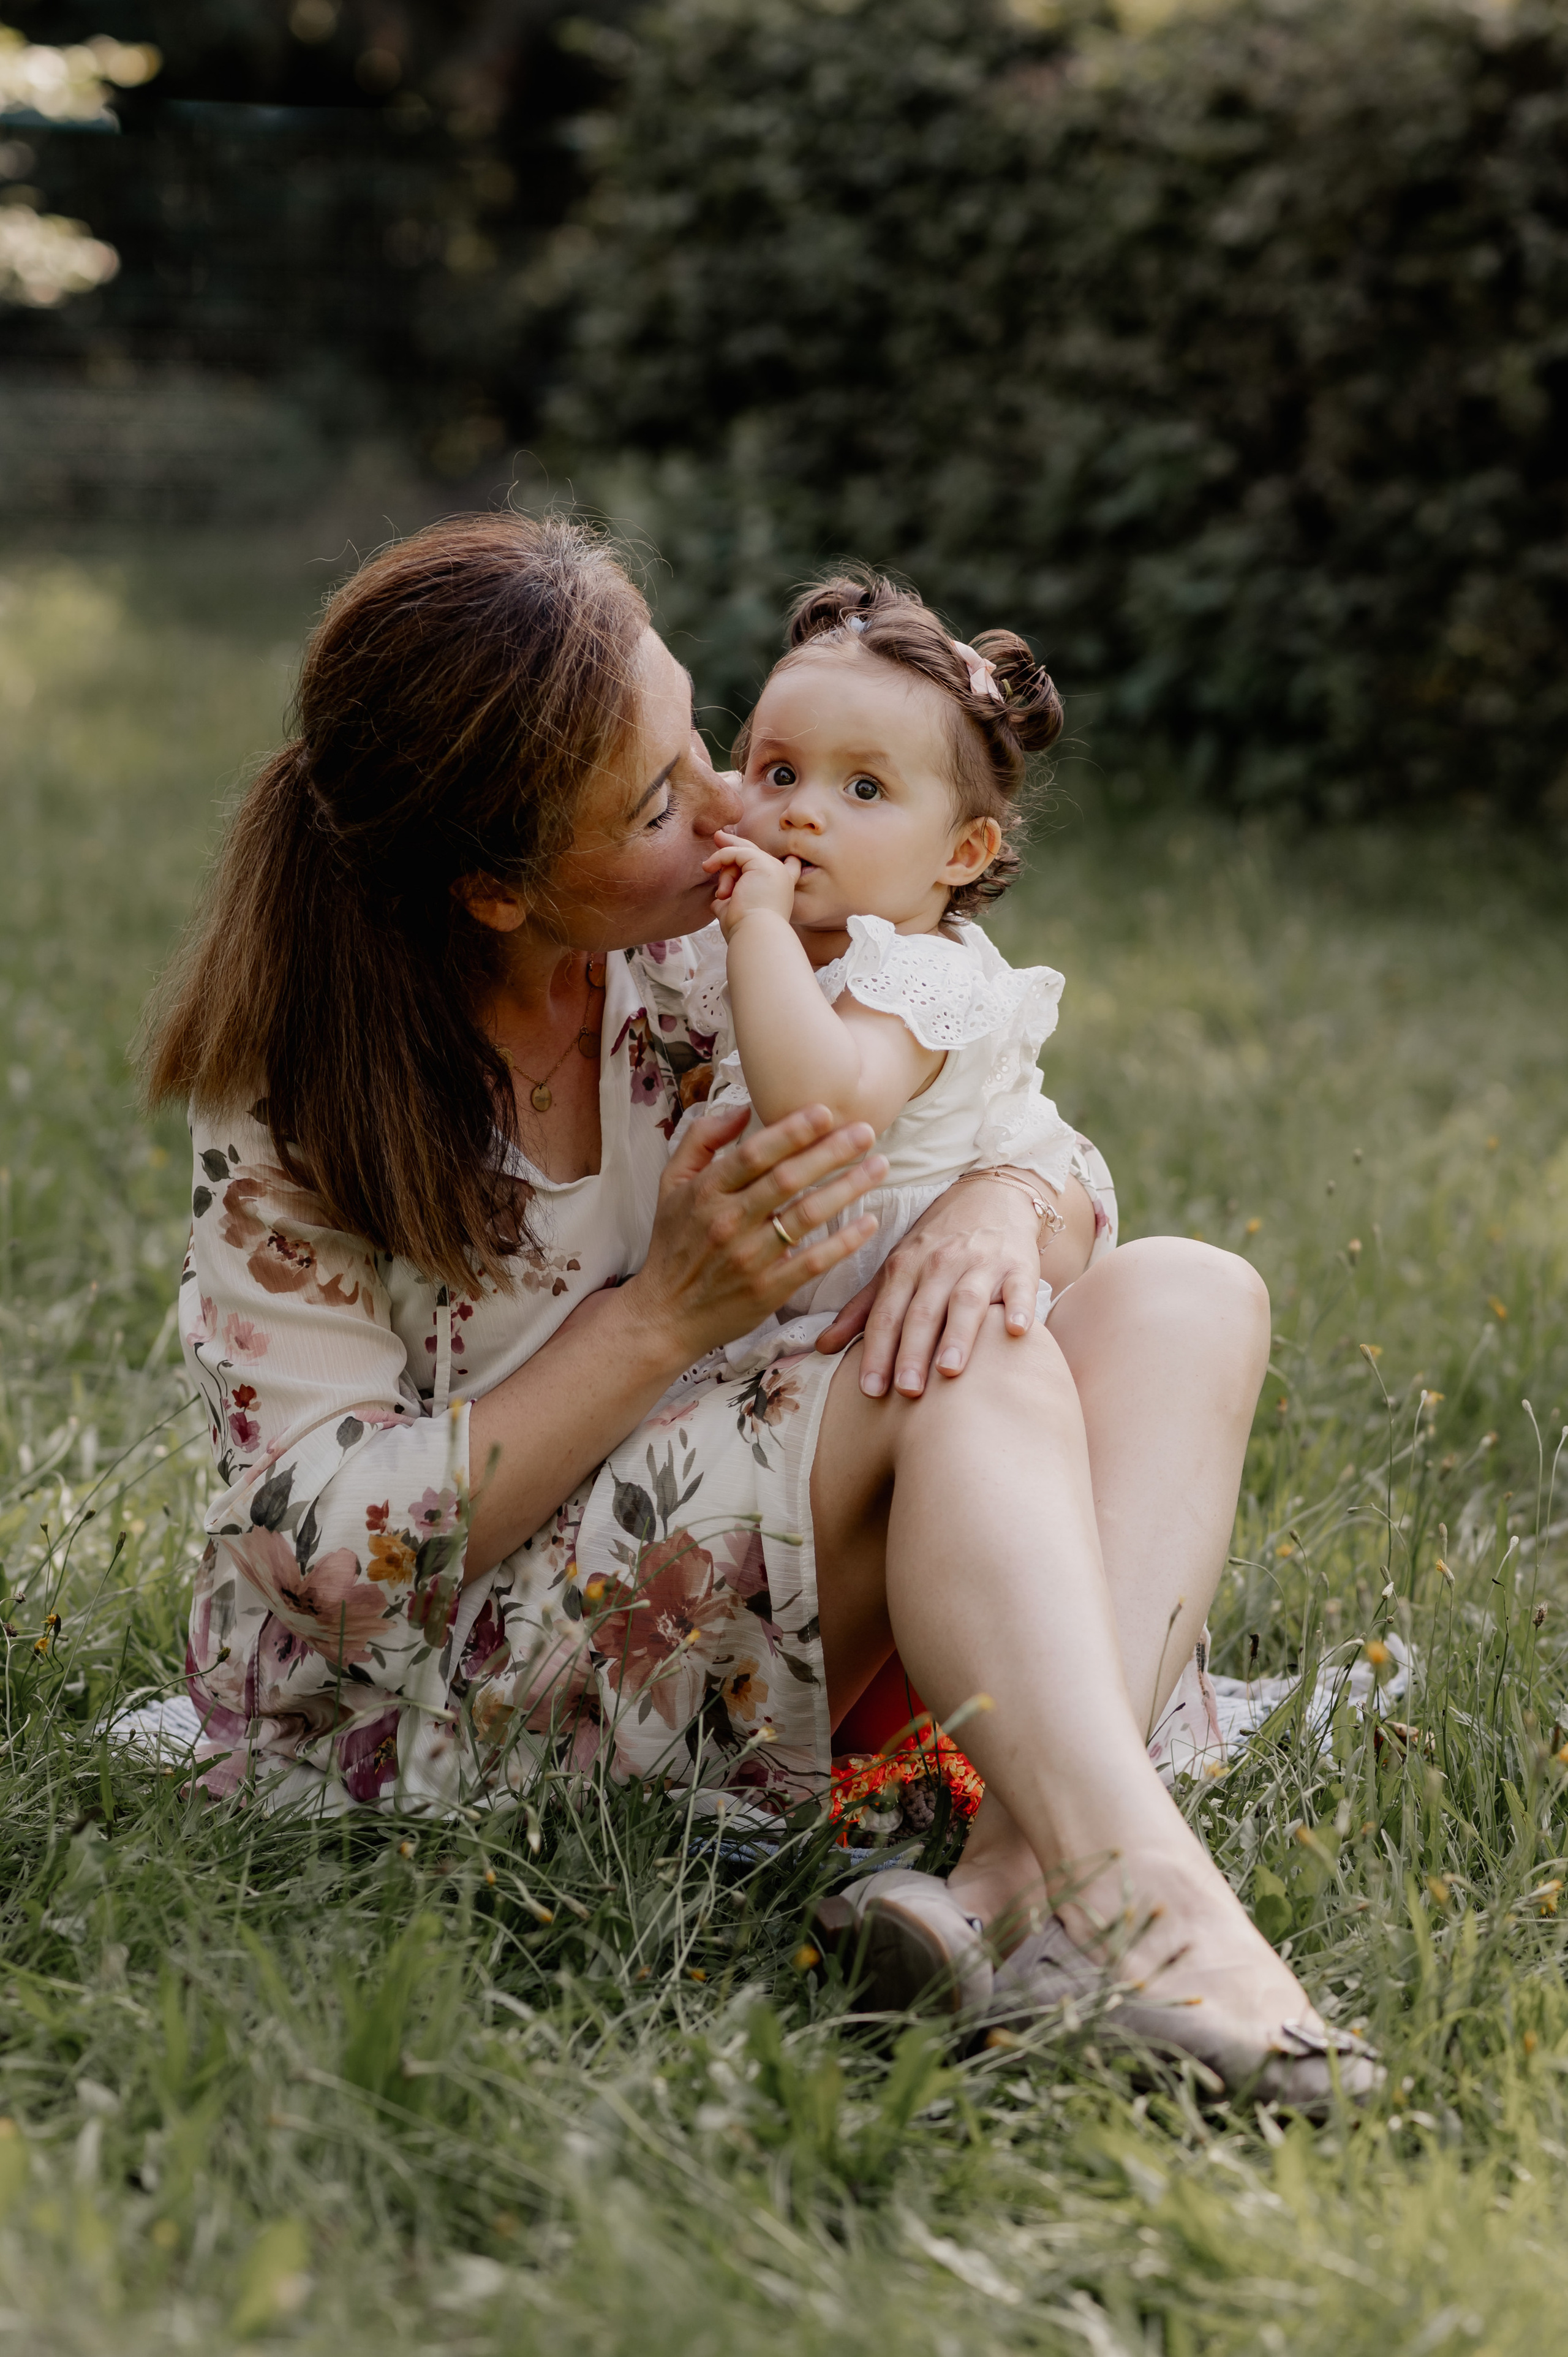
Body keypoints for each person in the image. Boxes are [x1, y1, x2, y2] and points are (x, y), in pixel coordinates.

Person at [141, 512, 1375, 2106]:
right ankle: (1158, 1909)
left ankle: (1011, 1885)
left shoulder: (711, 943)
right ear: (498, 892)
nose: (743, 810)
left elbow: (1009, 1126)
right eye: (663, 801)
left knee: (1185, 1295)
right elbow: (326, 1563)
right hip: (451, 1678)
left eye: (704, 741)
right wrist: (659, 1318)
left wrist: (1007, 1204)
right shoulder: (300, 1098)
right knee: (964, 1366)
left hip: (778, 1525)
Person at [675, 569, 1114, 1390]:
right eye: (779, 773)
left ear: (963, 852)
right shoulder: (756, 937)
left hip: (918, 1333)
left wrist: (758, 928)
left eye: (866, 788)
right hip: (800, 1341)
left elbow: (818, 1114)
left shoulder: (922, 973)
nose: (803, 812)